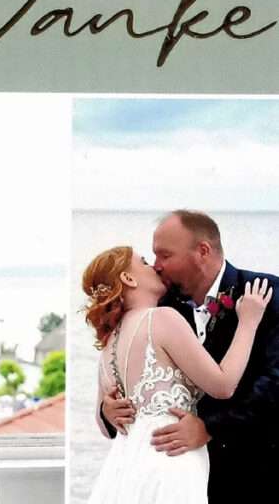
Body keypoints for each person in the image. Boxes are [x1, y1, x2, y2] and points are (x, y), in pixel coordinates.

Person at [99, 211, 279, 503]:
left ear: (202, 252)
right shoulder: (159, 307)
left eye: (165, 255)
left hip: (253, 474)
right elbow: (137, 380)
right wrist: (107, 411)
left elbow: (274, 383)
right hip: (173, 475)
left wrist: (210, 427)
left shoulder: (264, 294)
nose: (156, 266)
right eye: (152, 258)